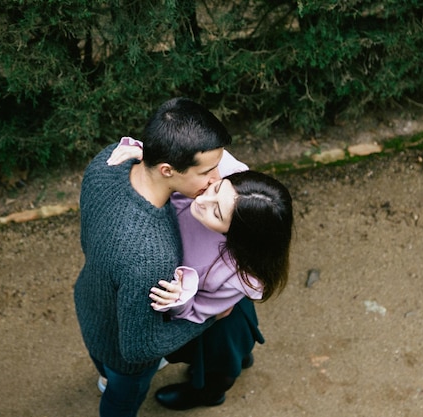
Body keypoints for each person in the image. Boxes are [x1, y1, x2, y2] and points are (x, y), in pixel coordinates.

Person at [74, 97, 234, 417]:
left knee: (108, 373)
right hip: (122, 353)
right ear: (167, 169)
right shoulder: (151, 254)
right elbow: (139, 349)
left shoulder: (109, 159)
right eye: (207, 171)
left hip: (88, 302)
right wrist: (206, 320)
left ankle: (106, 378)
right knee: (121, 399)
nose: (217, 178)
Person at [107, 139, 294, 410]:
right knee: (236, 352)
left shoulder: (234, 273)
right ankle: (241, 359)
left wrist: (179, 296)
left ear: (236, 238)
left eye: (216, 212)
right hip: (222, 307)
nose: (203, 198)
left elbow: (196, 312)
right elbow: (185, 156)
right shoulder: (227, 175)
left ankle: (209, 394)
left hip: (215, 322)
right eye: (215, 188)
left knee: (217, 364)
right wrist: (149, 156)